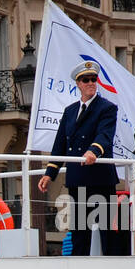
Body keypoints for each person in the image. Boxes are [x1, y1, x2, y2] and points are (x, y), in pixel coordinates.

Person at [37, 60, 119, 256]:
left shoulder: (107, 108)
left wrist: (93, 151)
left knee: (107, 230)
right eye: (86, 79)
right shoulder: (70, 111)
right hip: (78, 180)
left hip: (100, 179)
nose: (91, 82)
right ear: (78, 83)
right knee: (80, 231)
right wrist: (50, 173)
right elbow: (60, 145)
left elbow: (105, 136)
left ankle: (113, 268)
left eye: (93, 79)